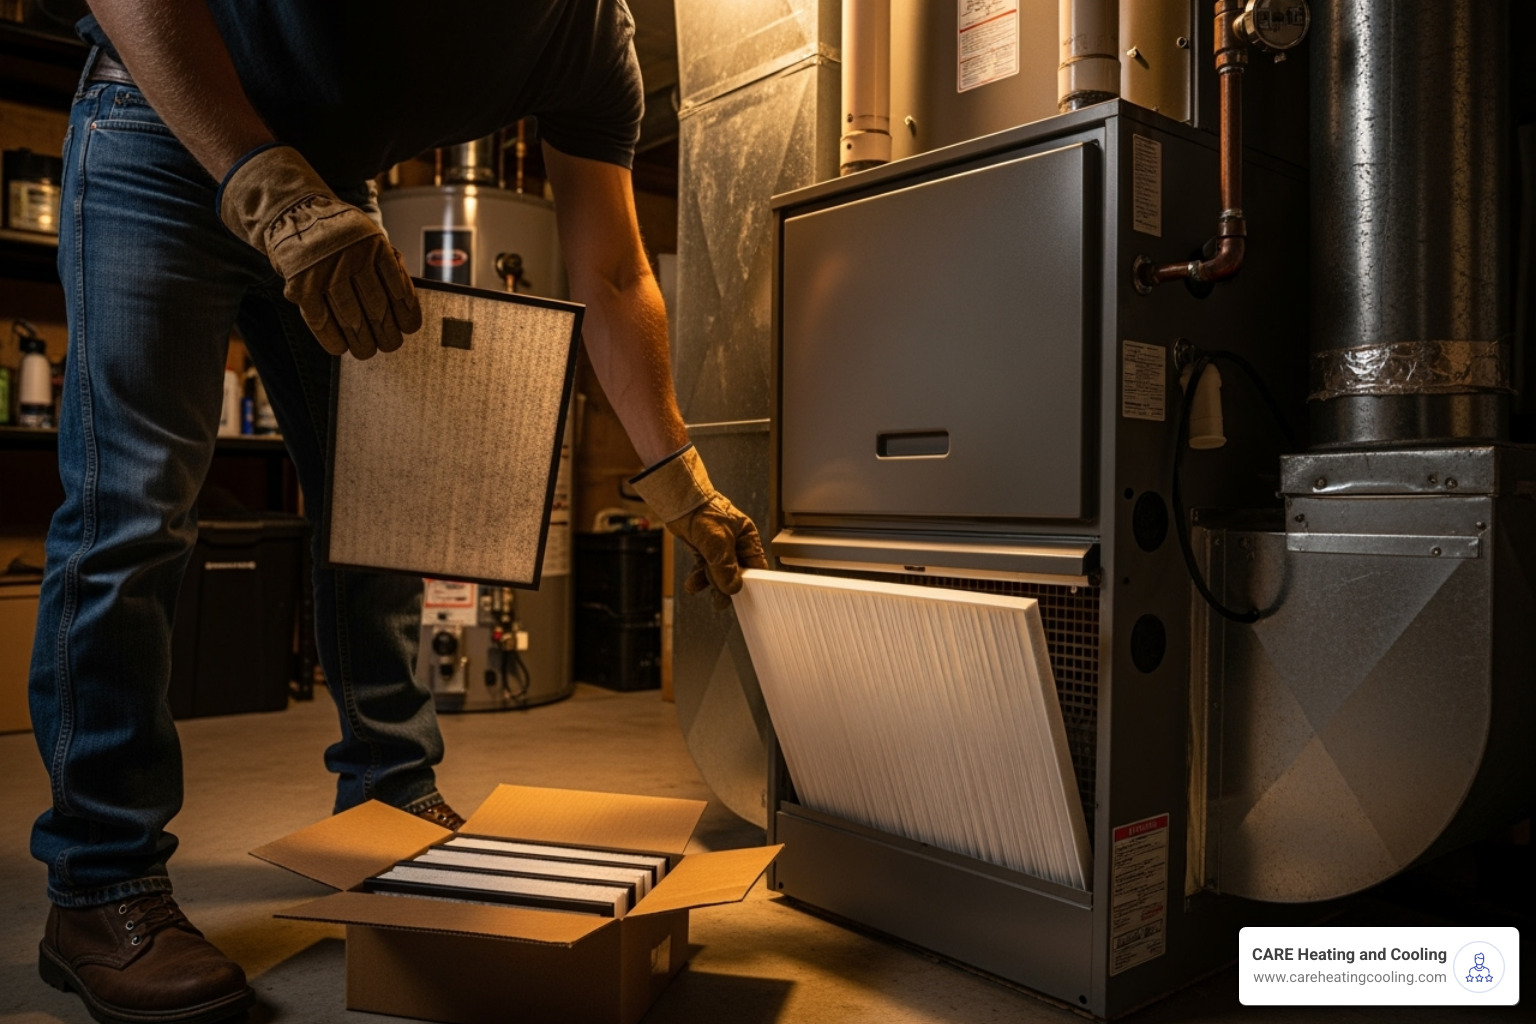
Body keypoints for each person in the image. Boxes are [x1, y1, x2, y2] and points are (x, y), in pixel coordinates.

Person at [28, 3, 766, 1022]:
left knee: (382, 507)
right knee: (135, 512)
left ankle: (390, 793)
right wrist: (260, 180)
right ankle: (100, 886)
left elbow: (613, 269)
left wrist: (673, 470)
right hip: (160, 127)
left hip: (331, 185)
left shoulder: (589, 37)